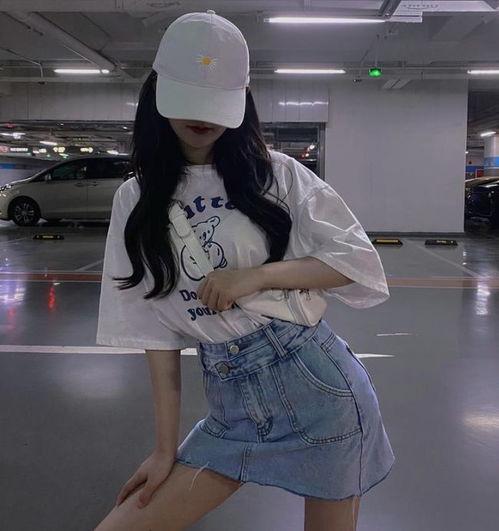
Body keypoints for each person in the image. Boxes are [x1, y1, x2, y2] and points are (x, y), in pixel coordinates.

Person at [94, 9, 395, 531]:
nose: (203, 118)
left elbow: (356, 263)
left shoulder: (277, 174)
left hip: (318, 390)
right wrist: (164, 450)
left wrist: (255, 276)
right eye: (189, 99)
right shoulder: (135, 199)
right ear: (158, 94)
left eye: (217, 102)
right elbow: (155, 333)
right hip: (229, 405)